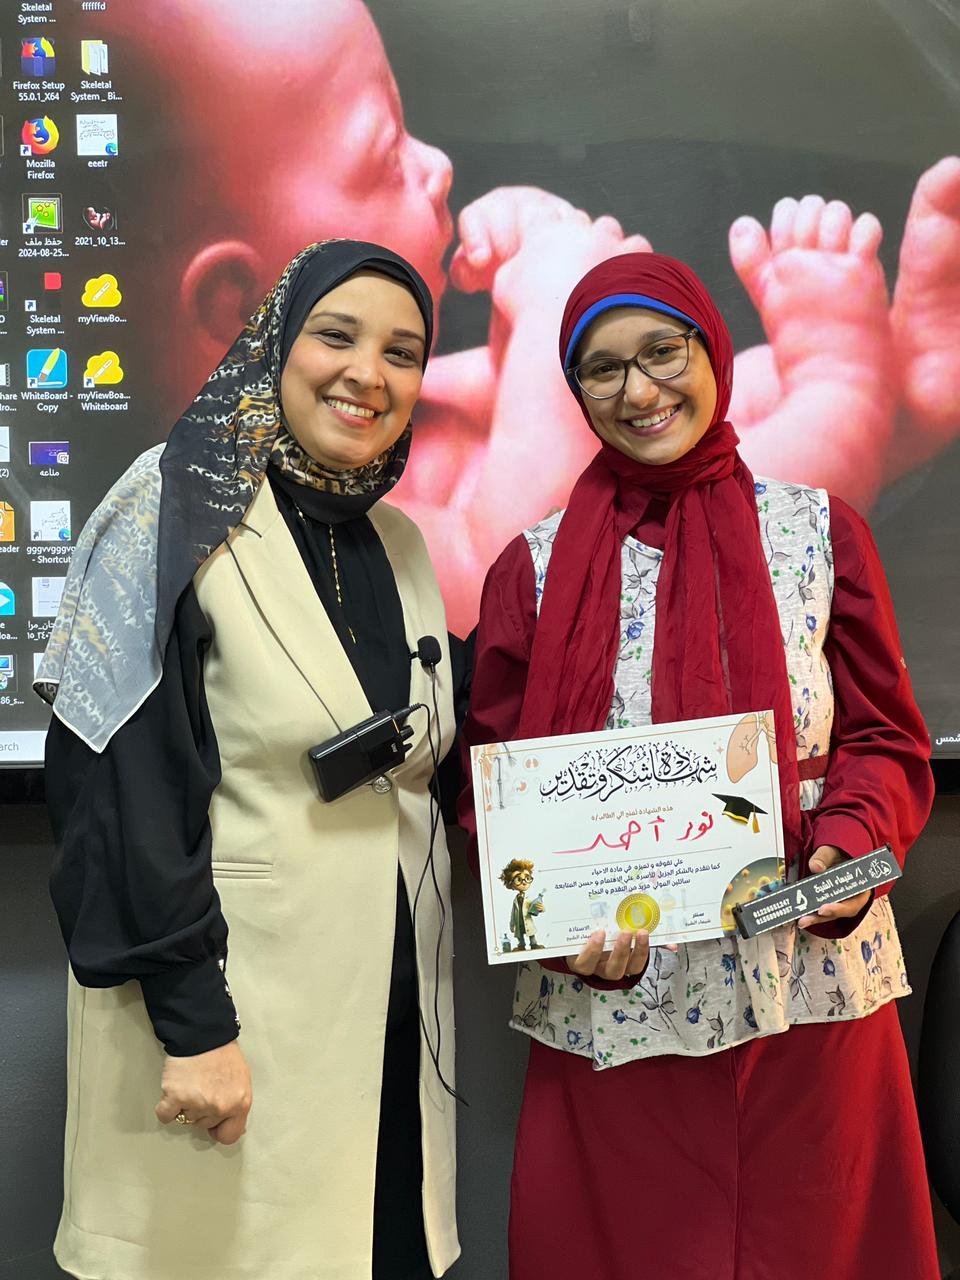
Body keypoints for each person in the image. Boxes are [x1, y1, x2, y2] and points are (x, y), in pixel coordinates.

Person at [58, 1, 960, 632]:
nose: (438, 163)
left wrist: (530, 274)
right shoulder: (279, 535)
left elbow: (515, 402)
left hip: (618, 494)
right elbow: (516, 559)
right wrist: (559, 290)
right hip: (618, 621)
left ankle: (899, 387)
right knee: (730, 513)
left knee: (697, 407)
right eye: (385, 157)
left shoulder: (377, 415)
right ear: (241, 306)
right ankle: (846, 386)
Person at [458, 252, 939, 1278]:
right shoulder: (530, 571)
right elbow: (490, 788)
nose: (639, 391)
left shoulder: (820, 534)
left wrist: (846, 848)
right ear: (575, 389)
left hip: (812, 995)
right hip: (620, 1003)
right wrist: (551, 915)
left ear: (711, 350)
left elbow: (884, 741)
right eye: (602, 369)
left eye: (661, 351)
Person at [39, 241, 462, 1280]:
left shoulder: (400, 540)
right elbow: (118, 786)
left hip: (390, 1024)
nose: (370, 372)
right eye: (337, 334)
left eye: (403, 351)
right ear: (273, 341)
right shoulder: (170, 503)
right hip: (226, 1021)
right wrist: (195, 1027)